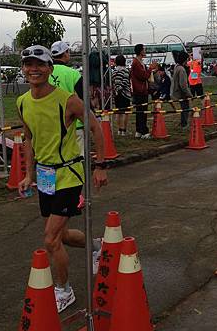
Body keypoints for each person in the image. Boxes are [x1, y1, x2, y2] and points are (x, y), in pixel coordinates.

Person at [17, 45, 108, 313]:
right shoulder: (23, 102)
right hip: (45, 176)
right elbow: (29, 139)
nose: (34, 69)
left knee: (50, 239)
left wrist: (100, 165)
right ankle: (97, 246)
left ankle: (64, 290)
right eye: (29, 64)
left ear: (50, 68)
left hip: (69, 173)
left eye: (40, 64)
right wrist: (28, 174)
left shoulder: (68, 100)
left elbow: (95, 127)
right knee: (63, 235)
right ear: (24, 69)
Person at [50, 40, 85, 153]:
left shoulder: (45, 73)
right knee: (77, 159)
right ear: (65, 53)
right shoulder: (73, 74)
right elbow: (83, 97)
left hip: (51, 123)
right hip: (74, 125)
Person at [130, 43, 157, 139]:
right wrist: (150, 69)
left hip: (141, 90)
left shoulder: (139, 62)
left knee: (140, 111)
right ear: (141, 51)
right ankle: (144, 132)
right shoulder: (136, 63)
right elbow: (143, 76)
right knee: (142, 111)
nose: (145, 51)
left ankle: (139, 131)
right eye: (144, 49)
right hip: (140, 91)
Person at [172, 51, 192, 128]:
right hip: (182, 93)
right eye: (187, 59)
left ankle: (183, 123)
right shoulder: (181, 70)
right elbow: (183, 85)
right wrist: (189, 94)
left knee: (183, 108)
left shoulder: (177, 67)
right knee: (185, 108)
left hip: (177, 91)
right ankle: (184, 124)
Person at [112, 54, 131, 135]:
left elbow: (113, 81)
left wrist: (116, 89)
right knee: (125, 112)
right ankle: (124, 130)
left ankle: (119, 130)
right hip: (125, 94)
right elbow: (126, 81)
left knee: (118, 112)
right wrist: (120, 88)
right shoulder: (125, 70)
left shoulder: (114, 71)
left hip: (117, 94)